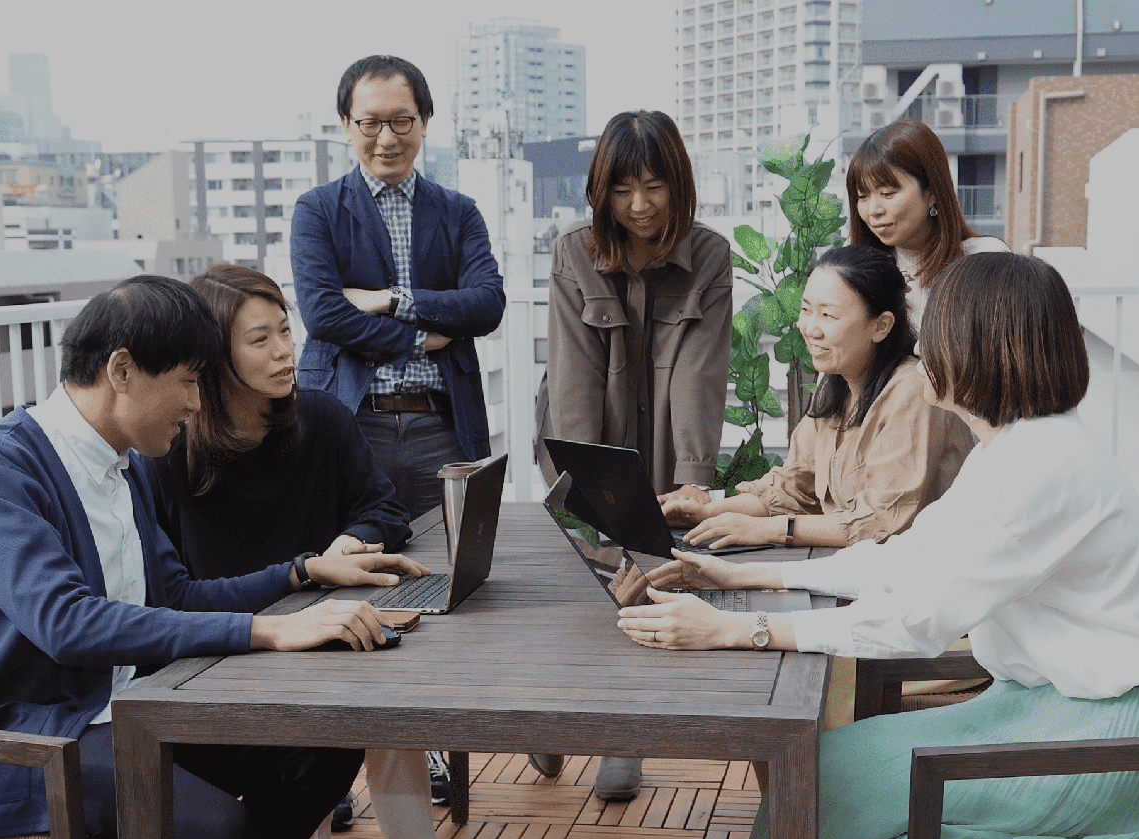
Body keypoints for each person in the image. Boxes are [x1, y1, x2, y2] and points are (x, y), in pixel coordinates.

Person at [621, 253, 1139, 839]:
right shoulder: (1014, 449)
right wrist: (738, 576)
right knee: (825, 768)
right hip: (1051, 709)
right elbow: (904, 556)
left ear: (984, 348)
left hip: (1117, 745)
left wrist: (738, 629)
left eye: (938, 331)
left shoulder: (1044, 466)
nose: (922, 347)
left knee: (833, 782)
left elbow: (918, 618)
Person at [0, 275, 427, 839]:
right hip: (4, 748)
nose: (197, 404)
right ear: (122, 371)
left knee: (319, 752)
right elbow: (66, 623)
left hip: (116, 717)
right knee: (215, 836)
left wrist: (301, 572)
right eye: (187, 381)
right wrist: (269, 630)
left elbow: (173, 596)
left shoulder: (123, 468)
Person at [139, 264, 456, 839]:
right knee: (306, 723)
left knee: (387, 687)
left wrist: (346, 543)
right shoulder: (169, 451)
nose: (285, 351)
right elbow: (173, 597)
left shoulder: (322, 418)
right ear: (213, 356)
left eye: (286, 331)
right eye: (260, 339)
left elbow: (384, 508)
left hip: (323, 625)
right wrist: (304, 573)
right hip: (227, 650)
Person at [528, 109, 733, 800]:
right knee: (588, 581)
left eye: (653, 186)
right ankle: (555, 716)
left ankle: (625, 736)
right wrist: (589, 480)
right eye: (622, 189)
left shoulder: (709, 255)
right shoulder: (574, 252)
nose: (639, 205)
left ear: (678, 183)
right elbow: (574, 377)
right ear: (601, 191)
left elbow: (698, 372)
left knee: (649, 577)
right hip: (584, 432)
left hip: (669, 437)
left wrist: (691, 478)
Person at [290, 54, 505, 520]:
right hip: (350, 419)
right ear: (346, 125)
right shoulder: (317, 210)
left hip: (443, 424)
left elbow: (488, 304)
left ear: (424, 122)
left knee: (455, 552)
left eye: (402, 121)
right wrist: (417, 340)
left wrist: (392, 300)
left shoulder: (459, 212)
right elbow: (323, 314)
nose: (386, 138)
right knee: (348, 552)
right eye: (370, 123)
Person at [660, 243, 972, 551]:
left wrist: (767, 529)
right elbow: (793, 486)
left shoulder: (913, 390)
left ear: (881, 326)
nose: (810, 328)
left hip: (922, 571)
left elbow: (881, 520)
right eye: (806, 310)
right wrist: (707, 513)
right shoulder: (837, 383)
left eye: (828, 315)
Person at [848, 118, 1008, 322]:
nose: (873, 210)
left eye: (887, 193)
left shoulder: (985, 259)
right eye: (862, 197)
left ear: (932, 192)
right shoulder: (857, 272)